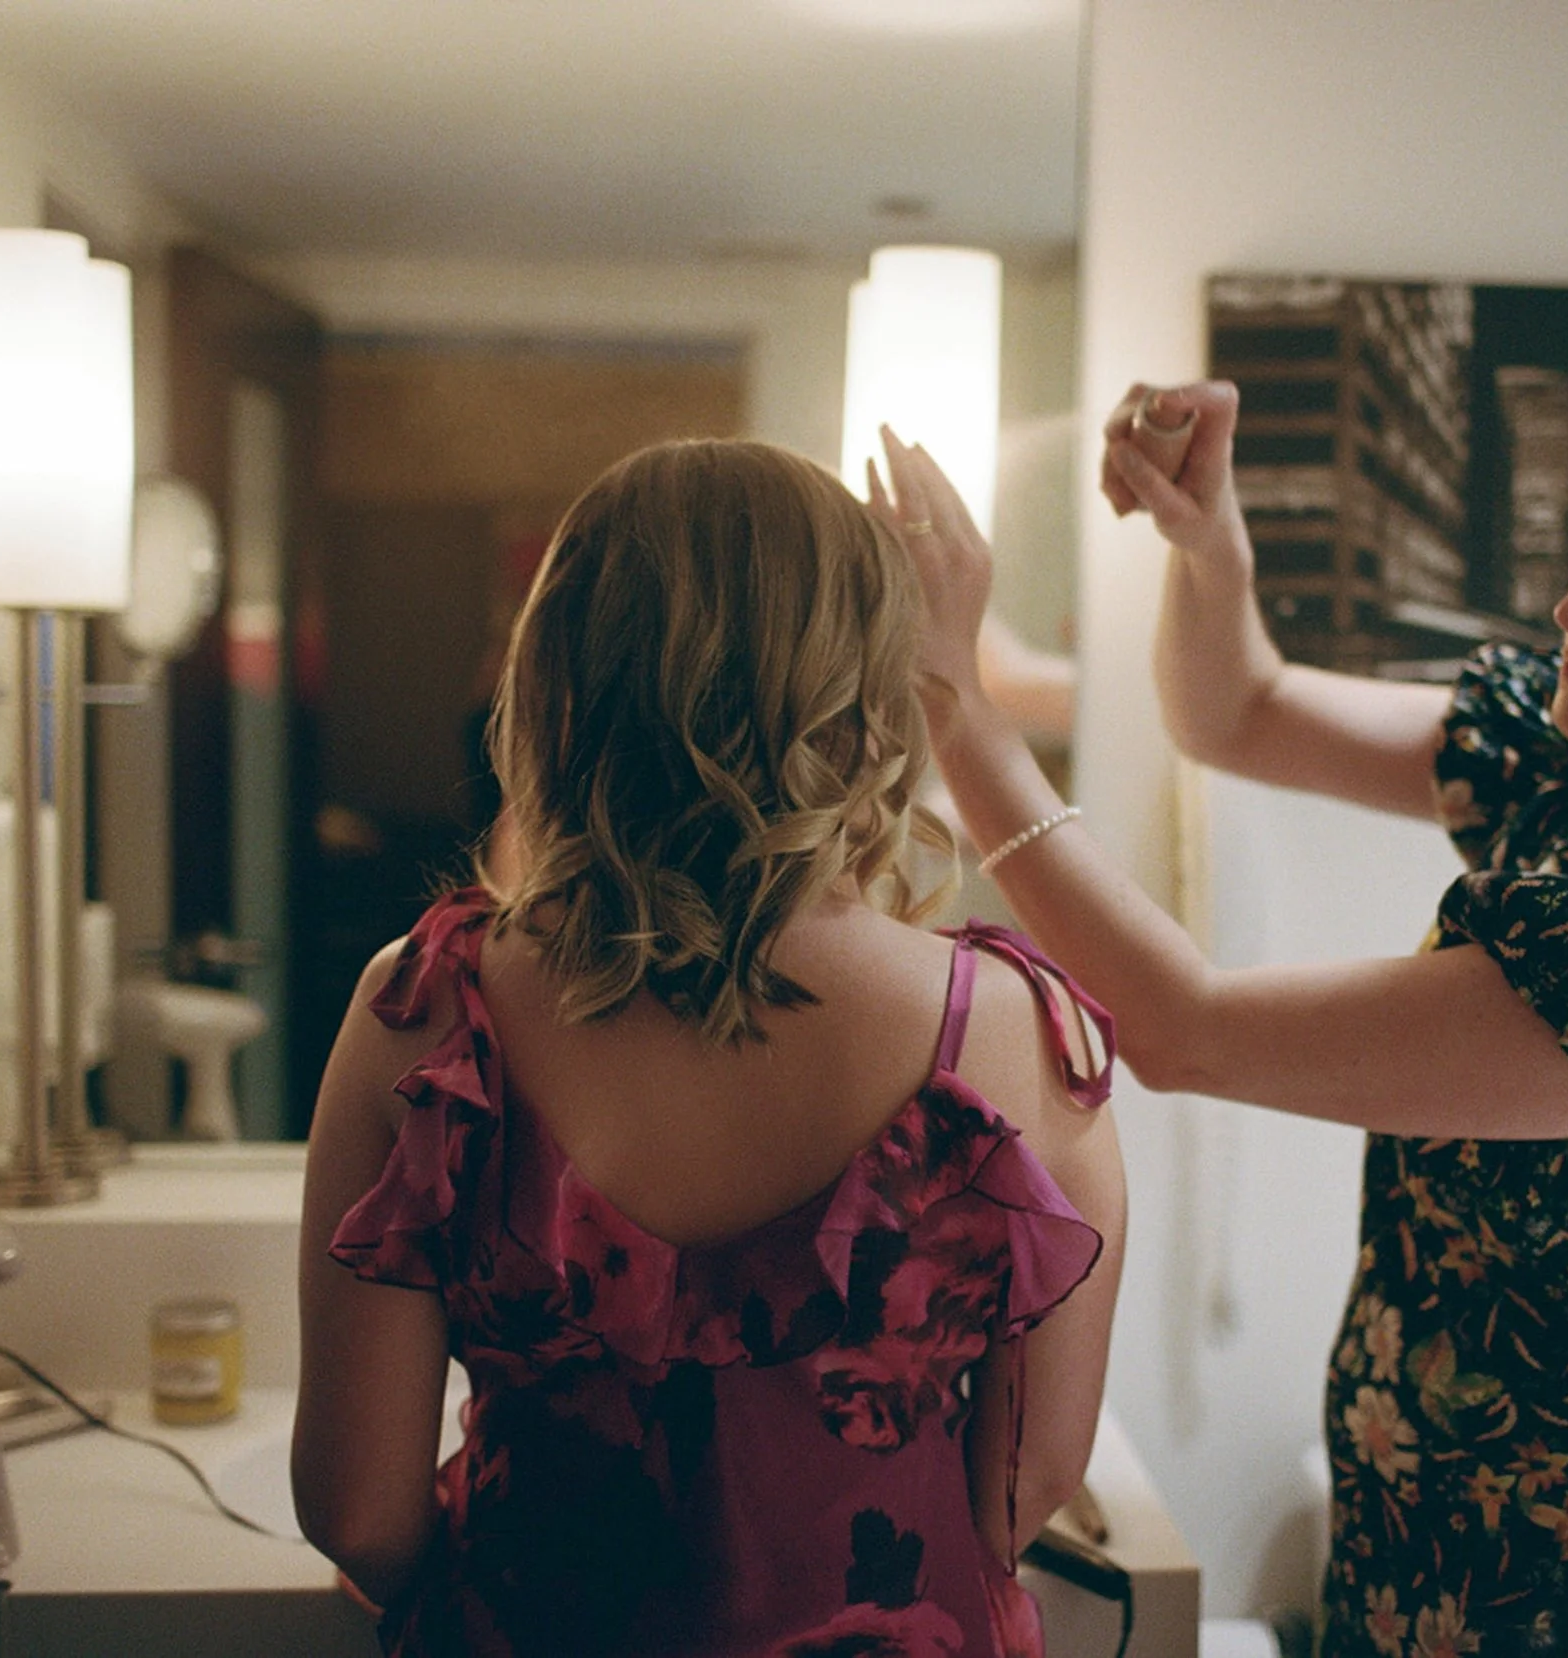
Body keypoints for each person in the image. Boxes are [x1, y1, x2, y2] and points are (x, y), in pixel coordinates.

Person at [871, 360, 1568, 1656]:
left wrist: (962, 708)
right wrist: (1204, 535)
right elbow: (1243, 711)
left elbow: (1183, 1027)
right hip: (1412, 1581)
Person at [293, 438, 1126, 1658]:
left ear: (557, 679)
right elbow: (1020, 1489)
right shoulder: (1011, 1034)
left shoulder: (427, 1010)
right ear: (862, 691)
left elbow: (359, 1512)